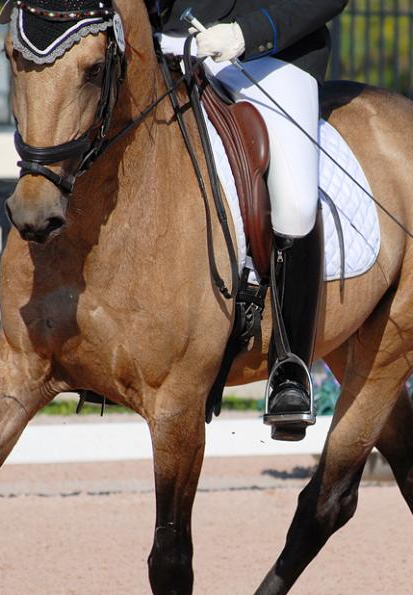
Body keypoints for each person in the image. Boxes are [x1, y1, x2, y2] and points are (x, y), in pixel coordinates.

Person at [152, 1, 350, 440]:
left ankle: (289, 368)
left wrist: (246, 32)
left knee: (296, 203)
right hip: (170, 45)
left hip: (269, 59)